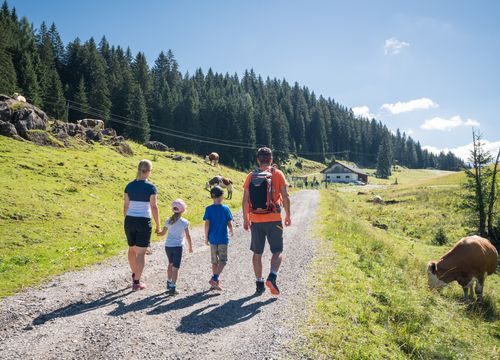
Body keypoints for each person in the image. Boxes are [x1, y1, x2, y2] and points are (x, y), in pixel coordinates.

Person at [242, 147, 291, 295]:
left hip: (256, 219)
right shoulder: (278, 174)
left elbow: (245, 200)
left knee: (257, 253)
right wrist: (288, 215)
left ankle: (259, 283)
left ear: (258, 160)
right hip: (274, 218)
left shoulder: (251, 176)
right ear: (271, 159)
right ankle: (272, 276)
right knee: (277, 251)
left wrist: (246, 218)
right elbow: (286, 196)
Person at [123, 159, 160, 291]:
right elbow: (154, 207)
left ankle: (134, 274)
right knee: (141, 253)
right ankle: (137, 282)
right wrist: (158, 225)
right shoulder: (151, 187)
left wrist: (127, 220)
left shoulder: (129, 186)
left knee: (132, 248)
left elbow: (126, 206)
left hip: (129, 220)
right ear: (148, 171)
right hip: (143, 221)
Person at [157, 199, 193, 295]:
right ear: (182, 210)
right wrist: (190, 246)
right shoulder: (184, 222)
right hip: (177, 247)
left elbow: (162, 233)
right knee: (175, 268)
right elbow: (188, 236)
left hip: (168, 246)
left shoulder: (168, 221)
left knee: (170, 264)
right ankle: (173, 288)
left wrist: (158, 231)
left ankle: (169, 282)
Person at [203, 186, 234, 291]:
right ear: (221, 196)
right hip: (222, 239)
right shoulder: (226, 209)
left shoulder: (208, 209)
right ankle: (215, 278)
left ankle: (214, 284)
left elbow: (207, 224)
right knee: (223, 261)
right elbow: (229, 223)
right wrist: (231, 230)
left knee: (214, 262)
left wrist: (206, 238)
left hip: (212, 239)